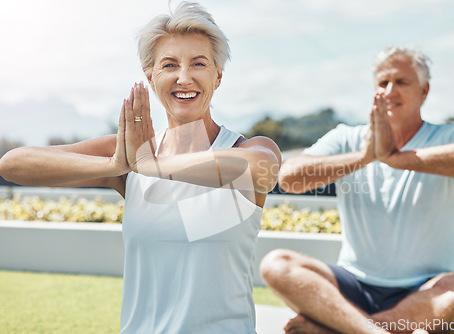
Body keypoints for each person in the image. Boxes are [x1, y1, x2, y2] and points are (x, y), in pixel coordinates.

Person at [0, 2, 281, 333]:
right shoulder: (131, 156)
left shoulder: (244, 150)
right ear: (150, 77)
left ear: (217, 76)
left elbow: (261, 167)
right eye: (169, 64)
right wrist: (115, 164)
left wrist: (153, 165)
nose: (184, 77)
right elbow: (13, 164)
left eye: (199, 63)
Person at [259, 46, 454, 334]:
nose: (390, 90)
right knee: (276, 264)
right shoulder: (348, 137)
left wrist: (395, 158)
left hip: (428, 291)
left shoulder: (450, 136)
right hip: (353, 286)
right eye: (383, 83)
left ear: (424, 90)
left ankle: (343, 328)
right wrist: (365, 157)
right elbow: (289, 177)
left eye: (402, 82)